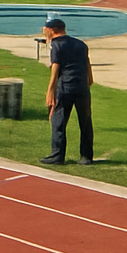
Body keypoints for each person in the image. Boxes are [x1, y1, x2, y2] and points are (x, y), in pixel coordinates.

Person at [39, 18, 93, 166]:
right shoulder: (81, 44)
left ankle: (57, 155)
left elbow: (55, 68)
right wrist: (89, 79)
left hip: (65, 86)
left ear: (52, 30)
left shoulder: (56, 45)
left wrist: (50, 90)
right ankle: (86, 156)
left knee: (59, 121)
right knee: (85, 121)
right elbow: (87, 62)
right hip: (82, 86)